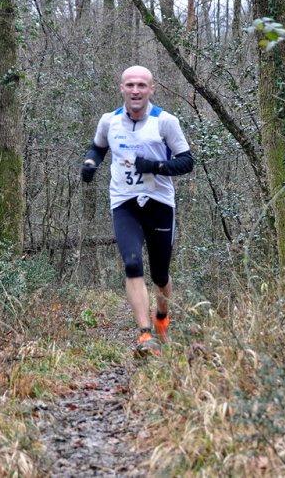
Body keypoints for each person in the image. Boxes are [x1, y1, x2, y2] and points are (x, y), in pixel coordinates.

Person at [81, 65, 194, 357]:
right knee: (132, 264)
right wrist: (90, 164)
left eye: (141, 85)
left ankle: (162, 315)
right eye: (130, 85)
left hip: (159, 202)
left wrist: (155, 166)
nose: (135, 90)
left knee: (160, 275)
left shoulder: (165, 122)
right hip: (124, 201)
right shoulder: (109, 121)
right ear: (121, 88)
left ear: (151, 89)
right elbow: (98, 148)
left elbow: (186, 161)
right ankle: (145, 335)